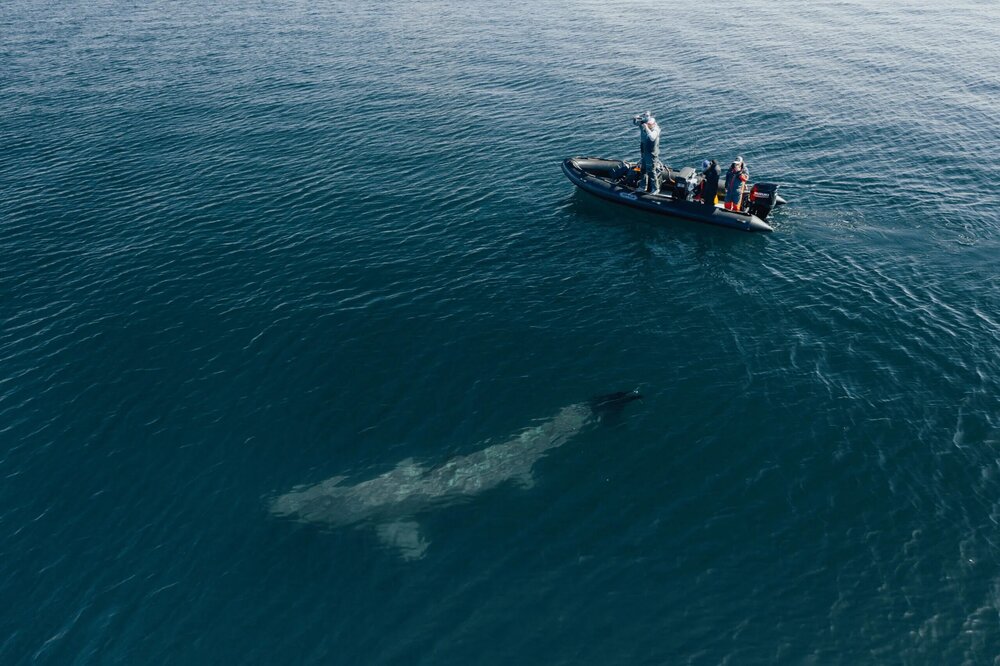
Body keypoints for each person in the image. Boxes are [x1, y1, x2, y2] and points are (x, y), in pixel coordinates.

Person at [633, 111, 663, 194]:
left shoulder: (656, 130)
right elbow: (635, 123)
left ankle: (655, 188)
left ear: (653, 124)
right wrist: (635, 118)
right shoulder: (644, 124)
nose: (648, 125)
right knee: (643, 169)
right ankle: (643, 187)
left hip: (651, 154)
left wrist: (646, 128)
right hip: (644, 151)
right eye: (647, 124)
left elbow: (651, 137)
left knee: (651, 171)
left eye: (649, 124)